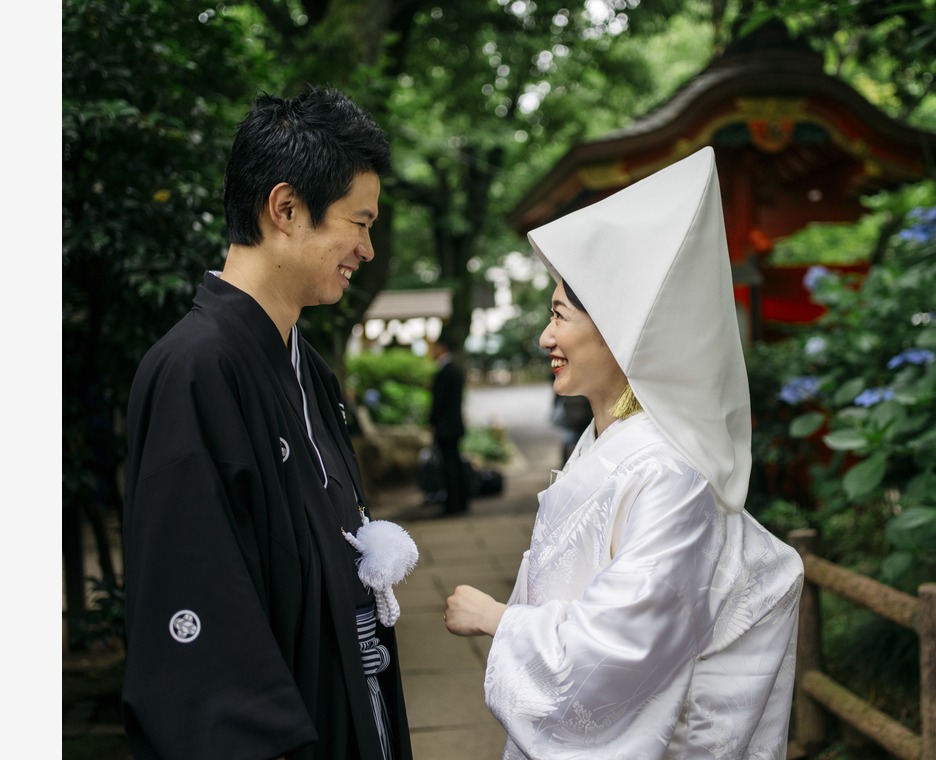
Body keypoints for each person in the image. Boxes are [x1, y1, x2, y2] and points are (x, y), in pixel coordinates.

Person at [444, 147, 805, 759]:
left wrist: (498, 620)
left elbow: (624, 642)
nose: (545, 336)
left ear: (619, 330)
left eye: (559, 315)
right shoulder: (606, 443)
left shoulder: (669, 473)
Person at [122, 87, 416, 760]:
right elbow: (196, 609)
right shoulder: (193, 371)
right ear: (285, 208)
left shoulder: (304, 366)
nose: (367, 249)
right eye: (360, 222)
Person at [428, 330, 469, 514]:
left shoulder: (445, 371)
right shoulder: (455, 369)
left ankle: (453, 504)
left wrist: (432, 422)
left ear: (441, 347)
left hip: (446, 427)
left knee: (449, 467)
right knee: (455, 464)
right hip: (455, 425)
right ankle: (460, 501)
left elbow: (439, 402)